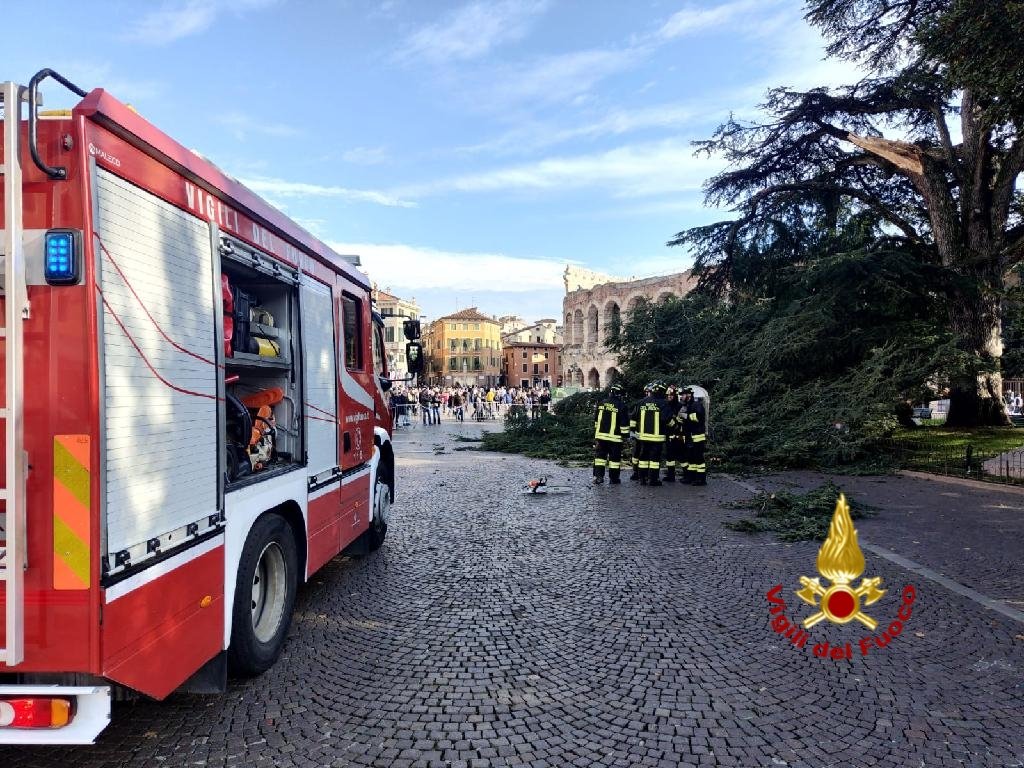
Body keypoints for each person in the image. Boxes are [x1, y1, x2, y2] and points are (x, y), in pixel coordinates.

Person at [630, 381, 671, 486]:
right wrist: (674, 425)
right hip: (657, 438)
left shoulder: (642, 402)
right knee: (654, 460)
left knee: (643, 457)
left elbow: (633, 418)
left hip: (643, 437)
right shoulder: (663, 403)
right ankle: (653, 480)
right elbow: (666, 419)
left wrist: (633, 431)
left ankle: (642, 479)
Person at [592, 382, 631, 484]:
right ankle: (614, 479)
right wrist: (626, 436)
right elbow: (624, 424)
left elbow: (596, 420)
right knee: (614, 460)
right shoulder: (621, 406)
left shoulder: (601, 403)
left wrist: (598, 432)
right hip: (615, 438)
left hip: (600, 437)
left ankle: (598, 477)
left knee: (600, 458)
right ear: (619, 394)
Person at [681, 387, 707, 485]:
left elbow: (698, 417)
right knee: (691, 458)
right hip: (690, 436)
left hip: (697, 436)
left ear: (689, 395)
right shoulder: (688, 405)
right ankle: (691, 477)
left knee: (698, 458)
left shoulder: (697, 405)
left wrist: (686, 416)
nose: (681, 396)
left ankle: (701, 479)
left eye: (683, 394)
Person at [662, 385, 684, 483]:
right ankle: (671, 476)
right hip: (668, 434)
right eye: (668, 395)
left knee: (682, 456)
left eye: (671, 395)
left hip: (678, 435)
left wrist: (675, 425)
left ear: (675, 395)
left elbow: (681, 420)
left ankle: (687, 475)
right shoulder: (666, 405)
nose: (669, 397)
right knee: (669, 457)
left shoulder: (679, 406)